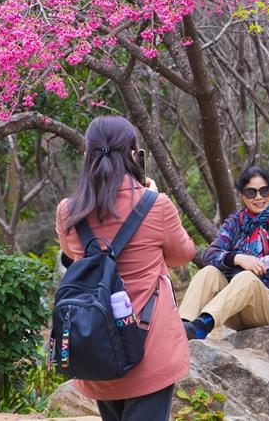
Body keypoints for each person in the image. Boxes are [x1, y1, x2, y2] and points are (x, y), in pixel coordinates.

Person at [56, 116, 195, 421]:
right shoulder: (156, 205)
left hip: (96, 348)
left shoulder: (69, 211)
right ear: (134, 155)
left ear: (86, 156)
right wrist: (150, 194)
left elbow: (73, 253)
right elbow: (184, 254)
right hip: (149, 350)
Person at [179, 166, 269, 340]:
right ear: (242, 195)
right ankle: (181, 327)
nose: (259, 197)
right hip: (234, 308)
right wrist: (237, 258)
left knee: (247, 278)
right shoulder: (235, 224)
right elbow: (209, 255)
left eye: (264, 191)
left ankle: (202, 326)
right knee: (208, 272)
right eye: (251, 193)